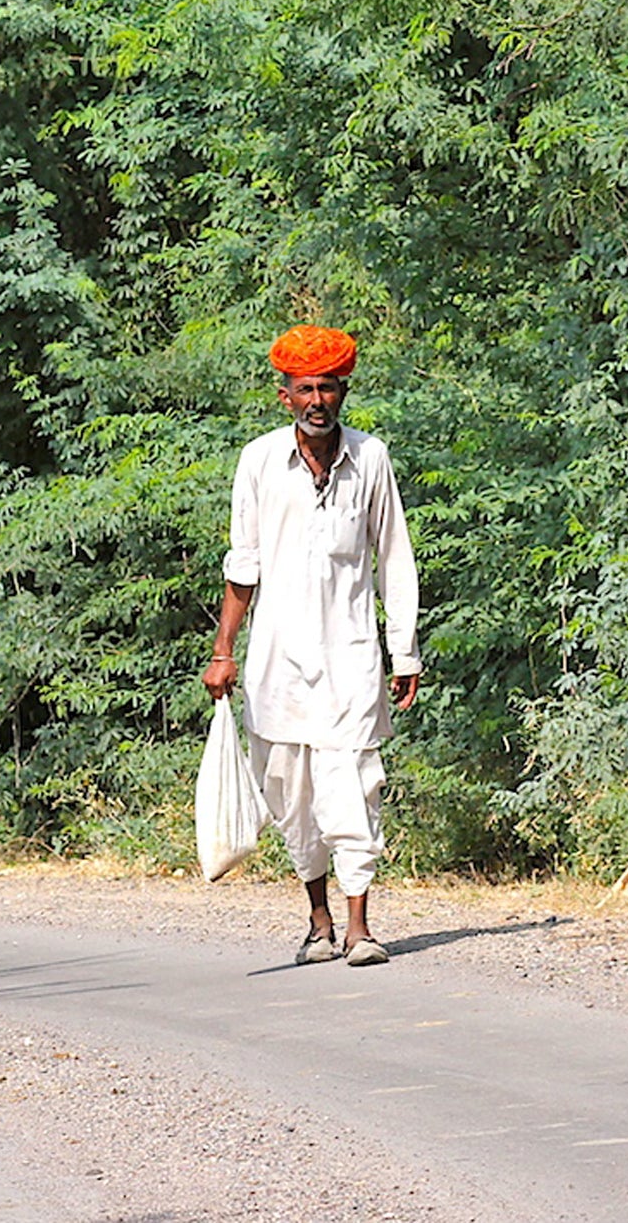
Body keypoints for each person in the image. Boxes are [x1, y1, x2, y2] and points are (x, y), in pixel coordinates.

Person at [201, 324, 421, 968]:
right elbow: (243, 566)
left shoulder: (370, 458)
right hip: (275, 657)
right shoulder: (259, 461)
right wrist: (223, 651)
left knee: (354, 779)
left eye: (328, 387)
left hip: (351, 652)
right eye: (306, 389)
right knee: (288, 790)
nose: (318, 400)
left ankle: (360, 927)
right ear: (285, 396)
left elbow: (394, 559)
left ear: (343, 393)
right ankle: (318, 917)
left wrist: (402, 651)